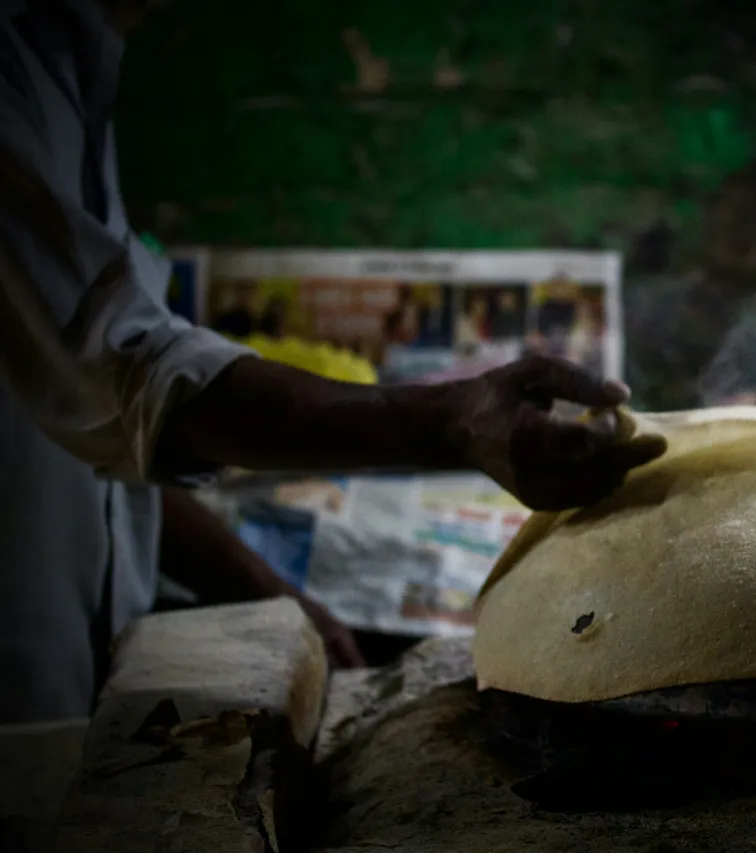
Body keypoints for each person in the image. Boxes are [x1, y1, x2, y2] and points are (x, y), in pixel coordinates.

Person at [0, 0, 666, 724]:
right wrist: (455, 420)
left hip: (84, 662)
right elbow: (145, 383)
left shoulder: (66, 66)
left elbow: (108, 437)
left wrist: (269, 593)